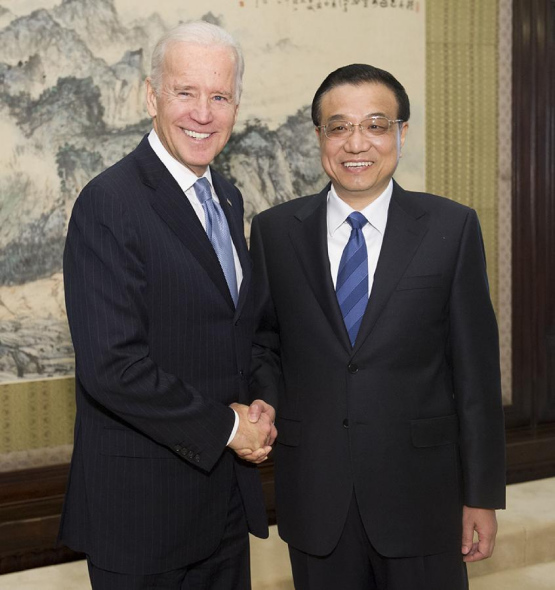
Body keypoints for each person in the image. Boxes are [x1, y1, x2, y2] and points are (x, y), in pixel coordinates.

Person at [249, 64, 506, 590]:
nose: (356, 143)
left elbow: (476, 373)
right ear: (318, 137)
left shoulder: (451, 227)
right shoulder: (275, 231)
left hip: (423, 499)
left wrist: (481, 494)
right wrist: (266, 402)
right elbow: (264, 343)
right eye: (339, 127)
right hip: (316, 497)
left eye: (376, 124)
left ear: (401, 133)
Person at [59, 22, 276, 590]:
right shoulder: (110, 202)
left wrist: (261, 409)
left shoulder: (226, 197)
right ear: (151, 96)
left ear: (236, 105)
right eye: (186, 92)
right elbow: (113, 367)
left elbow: (240, 332)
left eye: (220, 96)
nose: (203, 113)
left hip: (223, 508)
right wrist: (228, 428)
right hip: (143, 519)